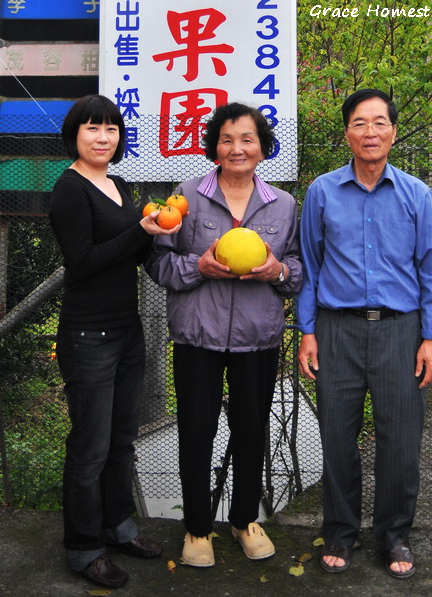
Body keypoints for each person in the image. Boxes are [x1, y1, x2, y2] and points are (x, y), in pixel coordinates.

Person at [296, 88, 432, 579]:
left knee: (400, 440)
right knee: (338, 437)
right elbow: (310, 265)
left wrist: (431, 338)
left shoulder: (417, 195)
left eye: (379, 122)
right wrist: (307, 331)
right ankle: (341, 530)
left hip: (400, 332)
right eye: (360, 123)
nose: (370, 132)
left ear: (392, 131)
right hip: (336, 330)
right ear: (346, 132)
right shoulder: (322, 191)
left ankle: (394, 534)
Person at [145, 102, 302, 567]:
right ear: (215, 145)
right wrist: (199, 265)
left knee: (251, 430)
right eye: (228, 138)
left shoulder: (283, 204)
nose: (237, 148)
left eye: (247, 139)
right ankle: (197, 528)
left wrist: (277, 270)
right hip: (198, 334)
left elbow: (297, 272)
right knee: (197, 430)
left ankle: (243, 521)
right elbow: (157, 263)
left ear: (262, 148)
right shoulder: (187, 196)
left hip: (258, 336)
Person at [48, 94, 181, 589]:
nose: (103, 137)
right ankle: (84, 549)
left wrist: (164, 227)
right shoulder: (69, 190)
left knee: (122, 440)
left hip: (126, 331)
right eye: (92, 129)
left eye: (111, 129)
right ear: (75, 136)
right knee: (90, 446)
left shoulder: (120, 185)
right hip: (88, 334)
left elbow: (135, 247)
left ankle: (119, 527)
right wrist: (140, 232)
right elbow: (80, 263)